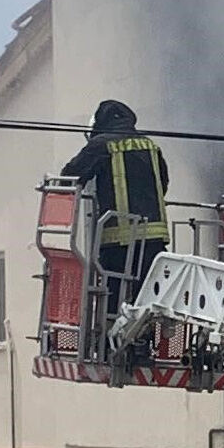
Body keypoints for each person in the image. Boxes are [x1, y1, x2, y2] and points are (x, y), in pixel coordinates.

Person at [65, 98, 170, 325]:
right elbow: (163, 184)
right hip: (154, 240)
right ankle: (144, 346)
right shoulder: (150, 145)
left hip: (118, 241)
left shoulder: (102, 144)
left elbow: (70, 176)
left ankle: (107, 345)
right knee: (147, 298)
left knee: (113, 300)